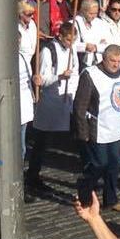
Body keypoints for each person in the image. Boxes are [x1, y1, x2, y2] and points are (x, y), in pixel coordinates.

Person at [76, 44, 120, 212]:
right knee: (99, 163)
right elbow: (80, 105)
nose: (115, 64)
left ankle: (111, 199)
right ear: (104, 58)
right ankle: (85, 192)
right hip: (98, 128)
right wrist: (83, 132)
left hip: (116, 127)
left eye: (118, 61)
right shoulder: (91, 75)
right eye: (112, 60)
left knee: (114, 164)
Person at [29, 20, 80, 201]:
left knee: (67, 136)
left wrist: (72, 93)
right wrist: (59, 76)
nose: (70, 44)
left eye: (73, 40)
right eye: (67, 40)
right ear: (60, 36)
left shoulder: (71, 51)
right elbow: (42, 79)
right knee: (42, 140)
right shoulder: (48, 51)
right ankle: (33, 174)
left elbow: (75, 74)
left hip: (65, 99)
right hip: (49, 101)